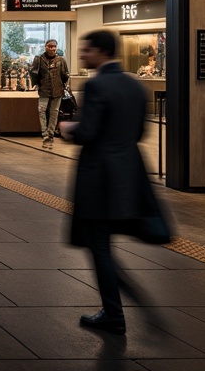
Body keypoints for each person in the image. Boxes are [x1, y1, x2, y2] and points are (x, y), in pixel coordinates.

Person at [60, 29, 170, 335]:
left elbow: (89, 131)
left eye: (86, 50)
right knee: (106, 242)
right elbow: (138, 133)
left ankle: (114, 312)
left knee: (99, 245)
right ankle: (121, 305)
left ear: (100, 52)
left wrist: (70, 129)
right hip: (128, 174)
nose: (82, 55)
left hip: (99, 177)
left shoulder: (96, 86)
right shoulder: (135, 86)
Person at [31, 39, 69, 148]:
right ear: (45, 46)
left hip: (57, 90)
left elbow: (65, 74)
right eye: (49, 46)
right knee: (41, 110)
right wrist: (37, 84)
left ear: (56, 48)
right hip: (44, 89)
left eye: (53, 46)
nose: (51, 48)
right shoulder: (39, 59)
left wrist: (64, 84)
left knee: (54, 112)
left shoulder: (61, 60)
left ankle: (51, 133)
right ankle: (44, 133)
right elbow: (33, 73)